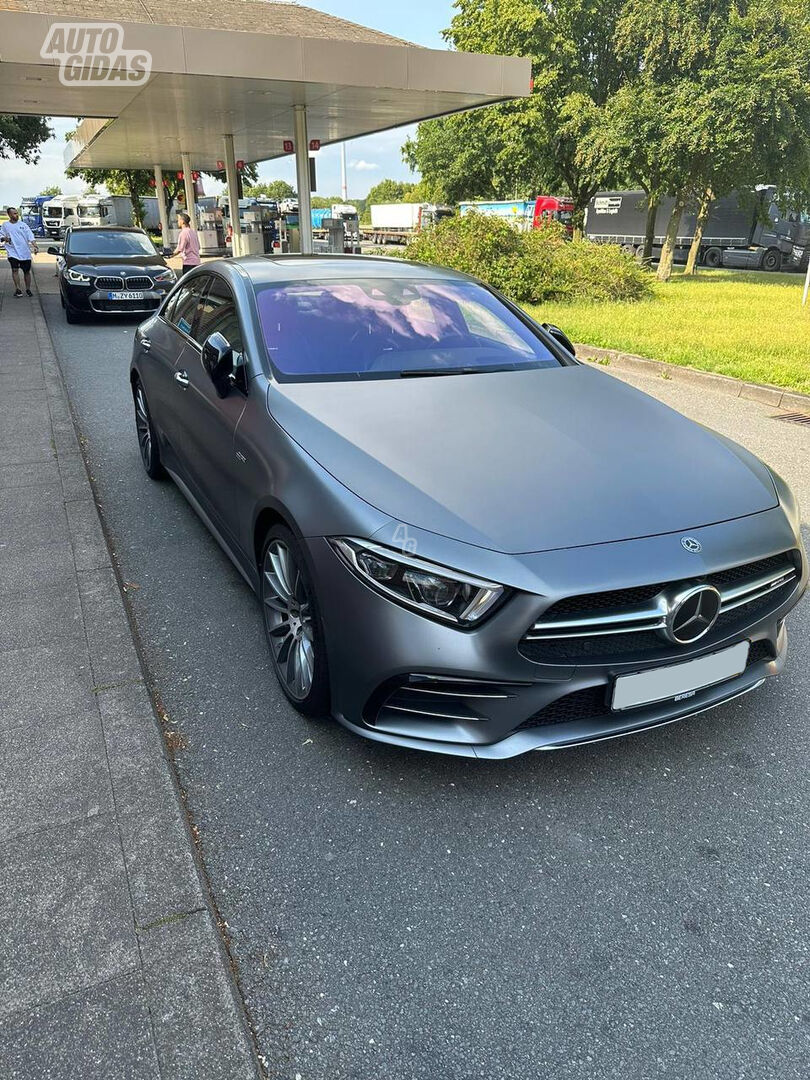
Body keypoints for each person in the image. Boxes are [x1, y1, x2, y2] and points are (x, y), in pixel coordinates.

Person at [0, 206, 38, 297]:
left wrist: (35, 246)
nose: (17, 215)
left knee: (26, 272)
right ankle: (18, 289)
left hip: (25, 253)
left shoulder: (23, 225)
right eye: (14, 213)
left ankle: (28, 289)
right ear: (9, 215)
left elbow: (30, 236)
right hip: (12, 252)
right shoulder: (5, 225)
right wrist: (4, 238)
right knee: (14, 270)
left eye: (17, 213)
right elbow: (1, 236)